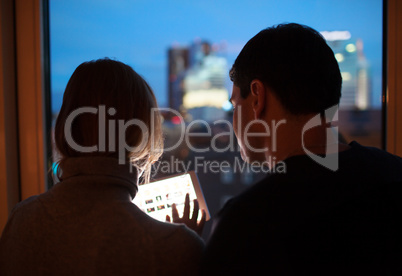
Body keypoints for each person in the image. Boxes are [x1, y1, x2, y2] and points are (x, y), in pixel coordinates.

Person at [202, 23, 402, 275]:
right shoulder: (394, 172)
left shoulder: (248, 224)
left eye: (234, 106)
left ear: (257, 97)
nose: (233, 122)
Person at [0, 58, 205, 275]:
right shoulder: (174, 246)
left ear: (66, 125)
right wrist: (184, 245)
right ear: (142, 137)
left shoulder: (22, 222)